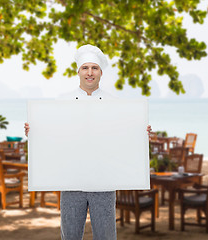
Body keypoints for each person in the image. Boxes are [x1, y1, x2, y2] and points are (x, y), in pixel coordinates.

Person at [25, 44, 152, 240]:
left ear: (101, 72)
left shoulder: (115, 104)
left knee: (106, 236)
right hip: (71, 182)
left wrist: (140, 135)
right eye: (85, 68)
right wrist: (35, 132)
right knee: (70, 236)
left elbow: (121, 140)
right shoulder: (63, 102)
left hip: (104, 183)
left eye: (94, 68)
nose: (89, 73)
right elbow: (55, 137)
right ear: (78, 71)